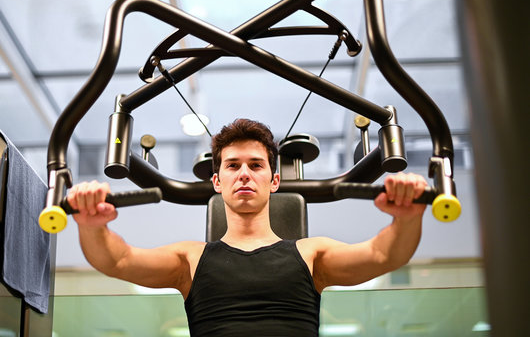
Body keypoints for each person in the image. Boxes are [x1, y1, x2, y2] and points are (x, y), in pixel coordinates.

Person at [68, 118, 428, 336]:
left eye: (256, 165)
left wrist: (407, 217)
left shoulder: (311, 254)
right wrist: (91, 225)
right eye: (233, 165)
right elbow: (117, 261)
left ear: (273, 181)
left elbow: (384, 254)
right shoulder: (190, 259)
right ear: (217, 180)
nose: (243, 173)